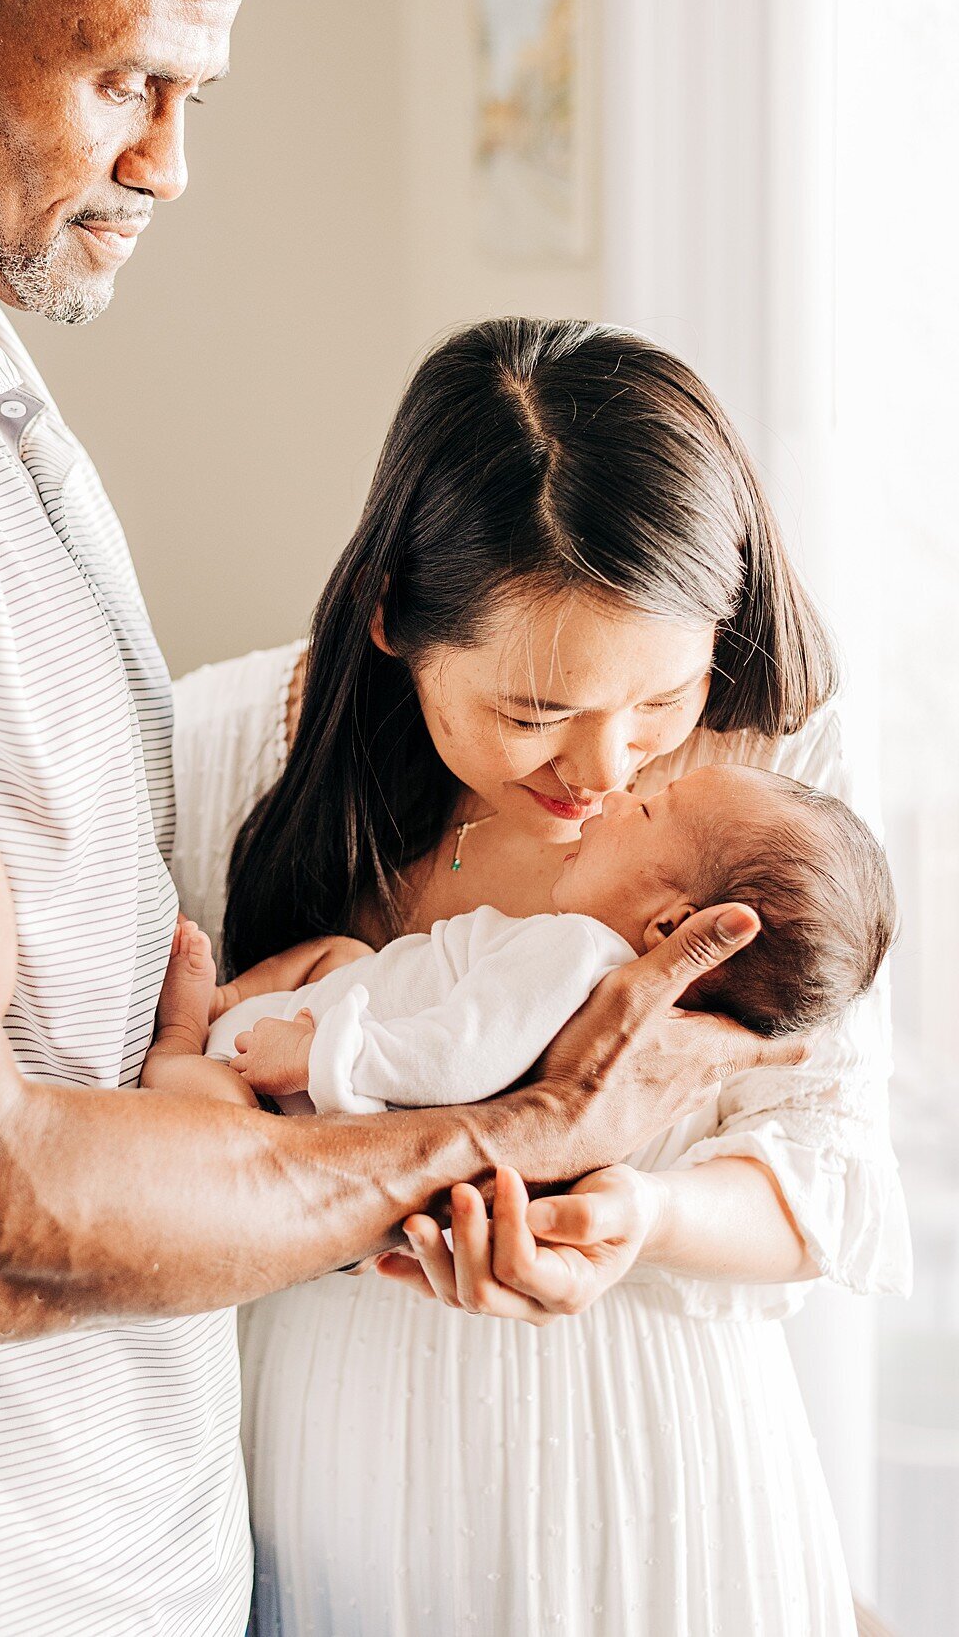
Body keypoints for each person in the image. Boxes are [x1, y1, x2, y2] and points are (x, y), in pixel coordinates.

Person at [0, 0, 792, 1635]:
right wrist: (519, 1125)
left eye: (198, 92)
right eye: (126, 82)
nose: (173, 161)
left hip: (138, 1552)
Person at [170, 318, 912, 1636]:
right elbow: (108, 1144)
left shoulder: (781, 776)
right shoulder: (220, 751)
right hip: (343, 1467)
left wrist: (638, 1212)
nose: (608, 767)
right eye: (531, 713)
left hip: (673, 1482)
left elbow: (833, 1183)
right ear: (396, 614)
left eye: (661, 699)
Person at [148, 763, 895, 1111]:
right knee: (343, 955)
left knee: (212, 1108)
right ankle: (226, 1002)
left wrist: (321, 1056)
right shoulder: (582, 968)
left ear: (670, 924)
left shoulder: (574, 954)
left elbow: (457, 1058)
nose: (612, 797)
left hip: (296, 1090)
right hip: (324, 1023)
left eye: (643, 812)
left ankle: (182, 1042)